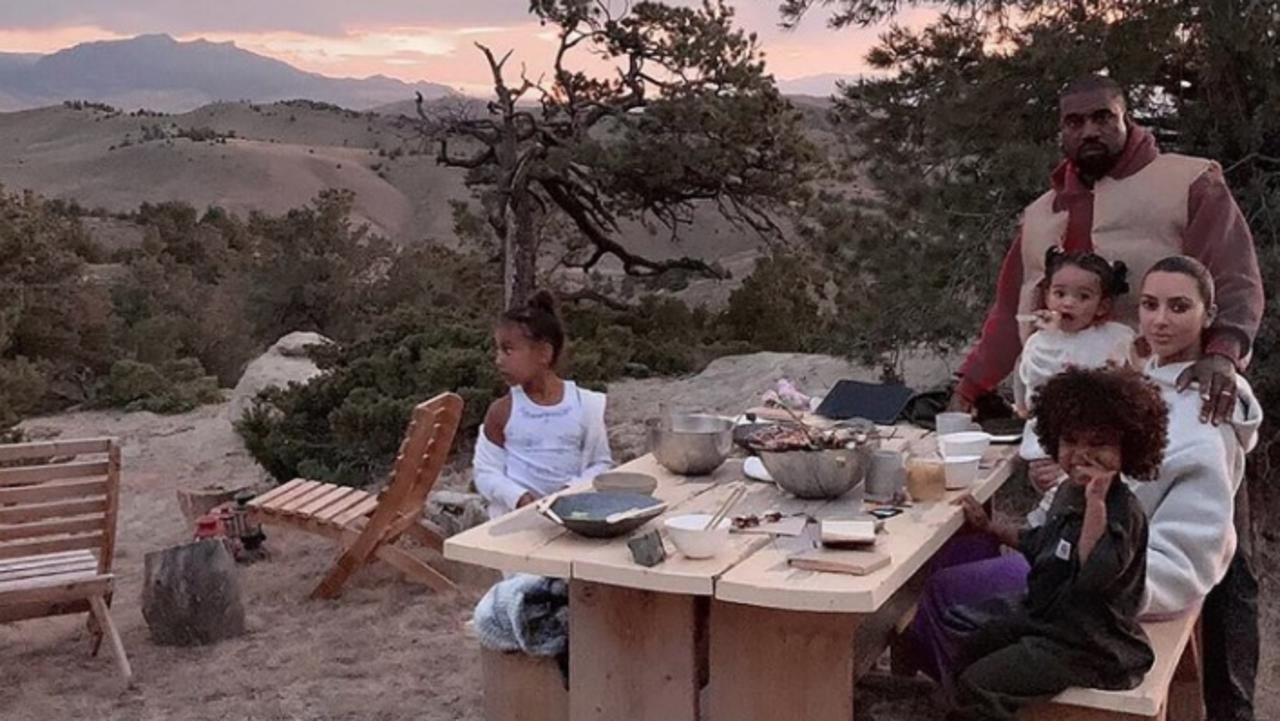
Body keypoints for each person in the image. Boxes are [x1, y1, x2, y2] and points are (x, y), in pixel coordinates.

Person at [902, 259, 1261, 721]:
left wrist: (1089, 586)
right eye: (1150, 305)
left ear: (1208, 315)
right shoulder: (1143, 378)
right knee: (957, 555)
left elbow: (1188, 555)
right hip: (1073, 560)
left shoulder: (1206, 418)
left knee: (945, 595)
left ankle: (983, 699)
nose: (1160, 320)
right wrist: (1036, 518)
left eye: (1179, 306)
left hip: (1109, 598)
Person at [951, 74, 1263, 432]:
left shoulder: (1190, 184)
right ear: (1061, 133)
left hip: (1177, 397)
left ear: (1125, 119)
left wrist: (1223, 354)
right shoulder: (1041, 215)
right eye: (1075, 122)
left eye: (1102, 118)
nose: (1089, 131)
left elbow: (1235, 280)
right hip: (1068, 420)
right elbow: (1010, 313)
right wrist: (968, 389)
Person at [941, 367, 1164, 721]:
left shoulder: (1122, 510)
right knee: (971, 645)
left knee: (980, 683)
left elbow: (1094, 576)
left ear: (1129, 447)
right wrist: (990, 528)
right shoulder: (1066, 493)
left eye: (1099, 444)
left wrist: (1096, 504)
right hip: (1048, 621)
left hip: (1093, 645)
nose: (1081, 454)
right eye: (1070, 441)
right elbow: (1040, 543)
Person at [1015, 247, 1133, 525]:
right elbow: (1033, 397)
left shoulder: (1116, 339)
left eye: (1083, 297)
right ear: (1046, 296)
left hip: (1096, 451)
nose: (1068, 303)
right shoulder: (1038, 344)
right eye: (1060, 294)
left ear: (1102, 306)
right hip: (1048, 447)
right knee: (1056, 513)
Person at [473, 291, 613, 519]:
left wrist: (571, 491)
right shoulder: (502, 411)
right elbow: (486, 472)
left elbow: (601, 464)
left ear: (544, 353)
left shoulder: (586, 406)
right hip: (515, 522)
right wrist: (519, 497)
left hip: (574, 518)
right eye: (497, 350)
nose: (498, 360)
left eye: (508, 350)